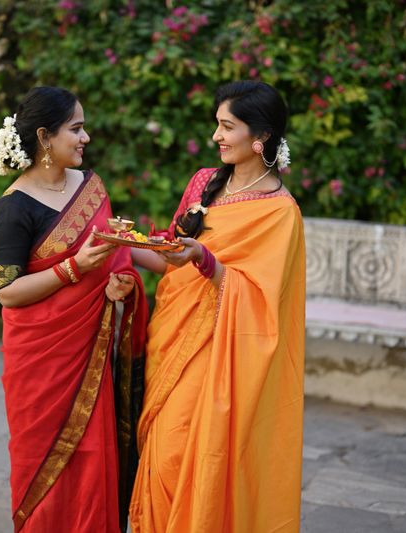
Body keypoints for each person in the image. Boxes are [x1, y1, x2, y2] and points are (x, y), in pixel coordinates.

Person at [128, 81, 306, 532]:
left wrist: (206, 260)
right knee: (160, 453)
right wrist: (120, 246)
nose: (217, 137)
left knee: (179, 452)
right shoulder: (205, 183)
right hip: (172, 340)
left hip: (220, 353)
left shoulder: (280, 213)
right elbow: (173, 258)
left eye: (227, 127)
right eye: (217, 125)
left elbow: (263, 303)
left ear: (260, 137)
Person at [0, 86, 148, 533]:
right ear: (44, 137)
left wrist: (136, 273)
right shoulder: (12, 209)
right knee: (44, 464)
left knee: (96, 456)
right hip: (42, 366)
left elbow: (115, 252)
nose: (86, 138)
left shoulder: (89, 186)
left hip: (91, 355)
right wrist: (74, 270)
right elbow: (7, 291)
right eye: (75, 129)